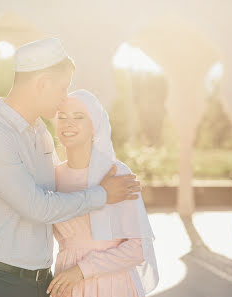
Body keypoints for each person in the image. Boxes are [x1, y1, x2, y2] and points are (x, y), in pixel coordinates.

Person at [0, 37, 141, 297]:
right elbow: (37, 206)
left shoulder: (40, 133)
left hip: (38, 282)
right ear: (42, 84)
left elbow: (63, 192)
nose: (64, 98)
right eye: (63, 88)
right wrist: (104, 194)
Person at [46, 89, 158, 297]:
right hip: (67, 286)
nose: (67, 123)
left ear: (94, 126)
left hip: (112, 284)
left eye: (78, 117)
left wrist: (81, 271)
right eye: (62, 117)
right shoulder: (51, 177)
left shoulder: (116, 173)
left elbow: (139, 248)